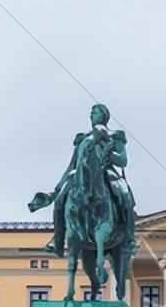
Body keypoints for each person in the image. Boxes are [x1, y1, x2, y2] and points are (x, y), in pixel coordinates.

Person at [28, 103, 137, 256]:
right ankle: (58, 241)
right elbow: (72, 165)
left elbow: (123, 160)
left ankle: (129, 238)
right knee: (60, 202)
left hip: (106, 172)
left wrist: (108, 154)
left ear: (104, 116)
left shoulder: (114, 135)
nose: (91, 115)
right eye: (91, 112)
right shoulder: (82, 139)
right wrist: (56, 190)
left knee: (125, 194)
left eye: (95, 112)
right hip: (80, 175)